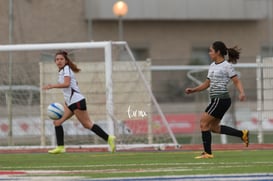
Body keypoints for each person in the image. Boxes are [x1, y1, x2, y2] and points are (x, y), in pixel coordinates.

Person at [185, 41, 249, 159]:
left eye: (211, 51)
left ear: (218, 52)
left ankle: (208, 153)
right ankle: (242, 134)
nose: (209, 53)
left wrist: (242, 93)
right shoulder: (212, 65)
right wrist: (193, 90)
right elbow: (207, 84)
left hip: (221, 99)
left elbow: (236, 81)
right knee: (214, 128)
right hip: (217, 100)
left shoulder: (227, 66)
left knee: (203, 123)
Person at [43, 50, 116, 154]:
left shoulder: (66, 69)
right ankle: (60, 147)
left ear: (66, 61)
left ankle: (109, 138)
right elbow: (71, 85)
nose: (59, 61)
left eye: (61, 59)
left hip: (76, 101)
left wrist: (52, 86)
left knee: (87, 124)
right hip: (70, 102)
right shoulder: (62, 71)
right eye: (57, 59)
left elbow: (67, 84)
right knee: (57, 122)